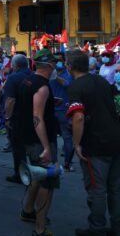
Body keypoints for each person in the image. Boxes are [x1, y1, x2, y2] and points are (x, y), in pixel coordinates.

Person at [66, 49, 120, 236]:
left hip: (96, 144)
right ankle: (116, 226)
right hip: (115, 139)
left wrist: (76, 143)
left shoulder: (75, 87)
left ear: (70, 67)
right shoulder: (102, 81)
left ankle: (96, 228)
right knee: (115, 188)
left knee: (97, 188)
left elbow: (78, 117)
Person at [16, 49, 59, 236]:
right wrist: (47, 147)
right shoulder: (42, 86)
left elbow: (27, 106)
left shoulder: (27, 81)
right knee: (47, 183)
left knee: (37, 176)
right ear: (49, 65)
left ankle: (27, 210)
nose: (56, 66)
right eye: (55, 63)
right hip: (39, 141)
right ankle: (40, 229)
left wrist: (49, 103)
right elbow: (37, 118)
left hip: (26, 137)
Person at [3, 54, 32, 184]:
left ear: (16, 66)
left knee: (18, 148)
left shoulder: (13, 78)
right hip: (33, 117)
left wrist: (7, 117)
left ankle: (20, 174)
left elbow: (10, 100)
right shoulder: (34, 75)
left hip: (18, 118)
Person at [49, 52, 74, 172]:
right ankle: (52, 163)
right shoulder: (48, 74)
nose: (57, 62)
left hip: (63, 110)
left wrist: (55, 76)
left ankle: (67, 164)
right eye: (55, 60)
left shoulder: (68, 74)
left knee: (67, 138)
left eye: (60, 60)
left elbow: (68, 85)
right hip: (50, 110)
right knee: (51, 138)